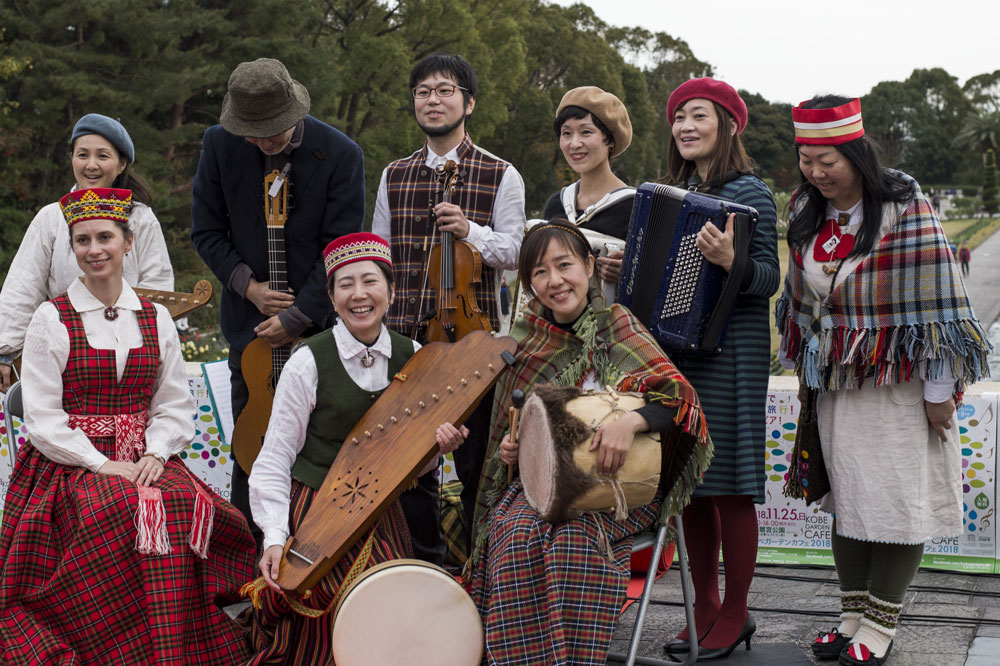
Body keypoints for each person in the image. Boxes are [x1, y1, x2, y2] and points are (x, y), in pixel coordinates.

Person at [777, 95, 991, 666]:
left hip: (898, 388)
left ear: (856, 151)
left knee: (894, 504)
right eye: (807, 158)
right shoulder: (807, 208)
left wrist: (939, 395)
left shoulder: (902, 204)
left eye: (829, 160)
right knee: (848, 501)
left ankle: (880, 625)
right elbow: (805, 302)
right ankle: (850, 618)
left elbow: (941, 304)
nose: (816, 172)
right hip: (838, 385)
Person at [0, 188, 256, 664]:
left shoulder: (154, 317)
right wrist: (102, 464)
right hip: (70, 461)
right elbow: (42, 419)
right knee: (115, 512)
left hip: (145, 454)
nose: (94, 249)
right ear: (71, 248)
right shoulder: (51, 318)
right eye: (82, 241)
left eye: (104, 237)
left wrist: (157, 453)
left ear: (127, 243)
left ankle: (179, 641)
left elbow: (174, 401)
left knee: (189, 505)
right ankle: (118, 648)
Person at [466, 220, 712, 665]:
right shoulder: (526, 342)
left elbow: (678, 401)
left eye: (565, 265)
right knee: (516, 534)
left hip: (614, 490)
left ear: (590, 267)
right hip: (537, 487)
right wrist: (512, 451)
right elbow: (514, 434)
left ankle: (574, 659)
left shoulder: (619, 327)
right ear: (529, 284)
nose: (555, 281)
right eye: (540, 272)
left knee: (572, 544)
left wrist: (632, 421)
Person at [240, 233, 464, 665]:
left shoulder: (414, 355)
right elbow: (274, 458)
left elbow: (416, 458)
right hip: (318, 508)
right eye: (345, 285)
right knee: (332, 602)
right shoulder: (308, 360)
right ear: (331, 296)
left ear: (391, 290)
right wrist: (273, 536)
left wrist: (440, 449)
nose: (359, 295)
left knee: (388, 598)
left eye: (370, 281)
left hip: (383, 510)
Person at [191, 58, 365, 540]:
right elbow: (205, 231)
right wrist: (247, 285)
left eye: (271, 131)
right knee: (253, 442)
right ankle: (247, 562)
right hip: (249, 331)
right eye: (252, 133)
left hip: (318, 328)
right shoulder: (218, 145)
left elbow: (341, 244)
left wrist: (300, 313)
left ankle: (320, 546)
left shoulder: (341, 154)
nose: (262, 141)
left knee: (318, 441)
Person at [372, 52, 526, 563]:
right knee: (411, 468)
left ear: (469, 102)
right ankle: (424, 567)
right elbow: (379, 254)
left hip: (474, 342)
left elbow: (518, 250)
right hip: (407, 339)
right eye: (423, 92)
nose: (433, 100)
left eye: (444, 90)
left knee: (478, 464)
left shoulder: (502, 174)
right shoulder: (395, 174)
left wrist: (470, 232)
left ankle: (485, 571)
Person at [658, 77, 780, 660]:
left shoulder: (751, 192)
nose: (685, 126)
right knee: (694, 488)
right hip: (684, 353)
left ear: (728, 124)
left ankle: (735, 613)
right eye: (678, 117)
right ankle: (702, 608)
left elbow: (768, 280)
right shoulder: (676, 193)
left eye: (697, 115)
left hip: (734, 352)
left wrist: (733, 261)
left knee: (730, 487)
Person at [0, 113, 173, 391]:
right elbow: (24, 285)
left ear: (121, 164)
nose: (91, 165)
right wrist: (5, 349)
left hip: (130, 356)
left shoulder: (141, 220)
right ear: (72, 159)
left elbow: (158, 289)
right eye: (82, 155)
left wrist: (152, 346)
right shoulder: (51, 218)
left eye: (103, 156)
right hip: (63, 353)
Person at [543, 86, 635, 290]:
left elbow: (653, 279)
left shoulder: (635, 208)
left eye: (586, 132)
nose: (574, 143)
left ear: (610, 140)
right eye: (566, 133)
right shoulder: (557, 204)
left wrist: (630, 273)